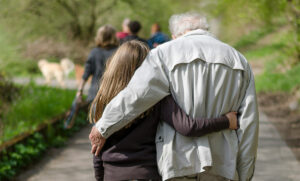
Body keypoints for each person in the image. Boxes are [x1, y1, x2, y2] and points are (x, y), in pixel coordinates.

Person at [89, 12, 259, 181]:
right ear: (205, 29)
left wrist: (103, 127)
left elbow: (136, 96)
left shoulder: (162, 55)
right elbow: (249, 123)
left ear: (175, 35)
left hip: (179, 162)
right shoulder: (239, 60)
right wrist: (245, 174)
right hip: (222, 163)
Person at [76, 25, 118, 102]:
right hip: (114, 94)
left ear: (99, 36)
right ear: (113, 36)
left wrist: (80, 91)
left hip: (95, 93)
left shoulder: (94, 52)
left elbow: (86, 74)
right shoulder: (119, 52)